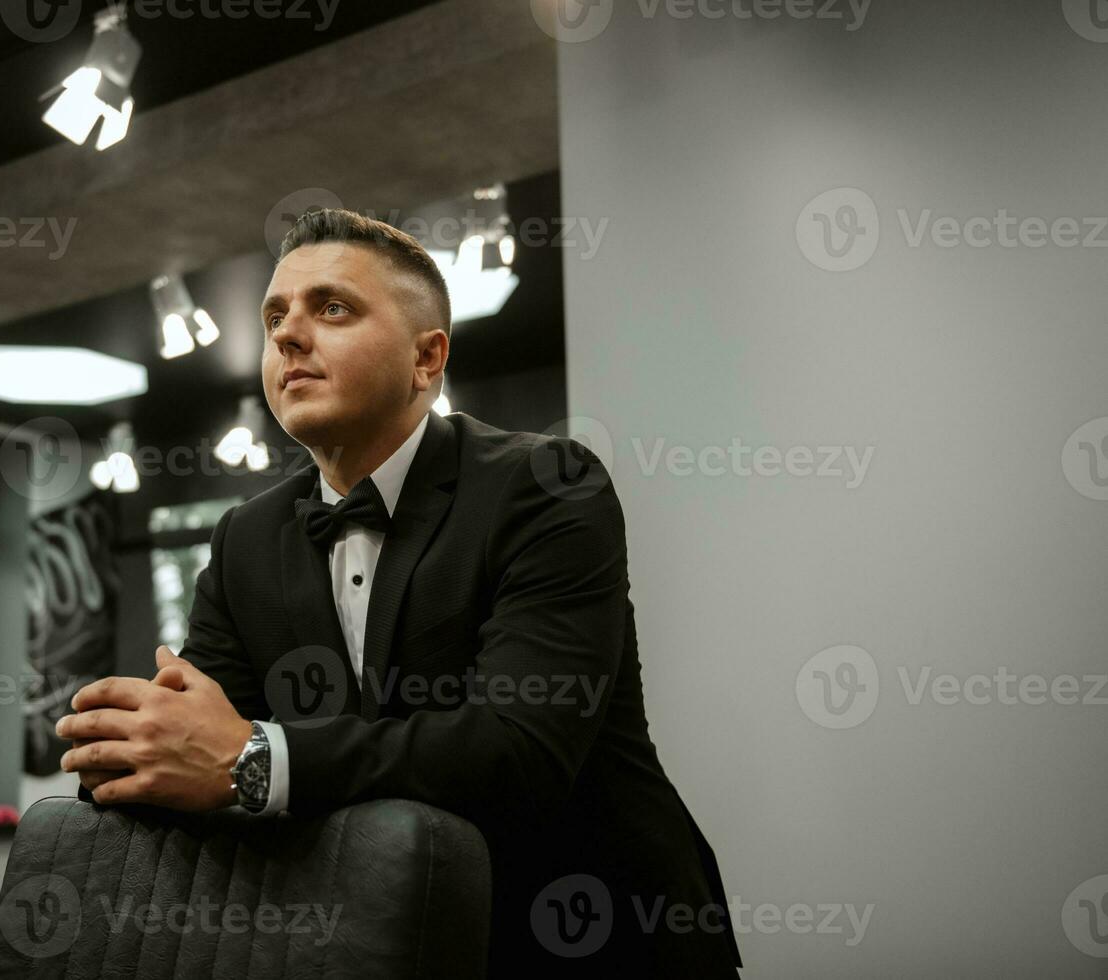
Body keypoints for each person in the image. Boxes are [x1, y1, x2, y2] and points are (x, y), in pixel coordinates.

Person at [57, 208, 741, 975]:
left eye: (333, 308)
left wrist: (253, 759)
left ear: (427, 359)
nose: (285, 335)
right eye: (274, 315)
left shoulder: (549, 487)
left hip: (598, 934)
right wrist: (130, 752)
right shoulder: (246, 537)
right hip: (373, 945)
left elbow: (515, 751)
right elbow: (196, 736)